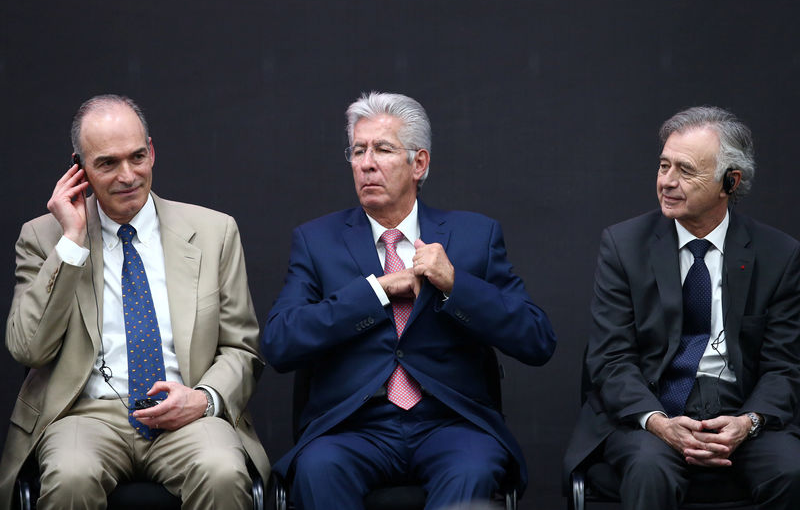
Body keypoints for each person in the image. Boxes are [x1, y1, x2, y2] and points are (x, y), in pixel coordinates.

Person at [262, 92, 556, 509]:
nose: (366, 163)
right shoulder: (316, 241)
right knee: (318, 470)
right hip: (353, 427)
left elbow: (537, 340)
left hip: (450, 423)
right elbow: (279, 343)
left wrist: (454, 283)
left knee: (472, 470)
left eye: (382, 149)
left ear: (419, 164)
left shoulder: (475, 236)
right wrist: (375, 291)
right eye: (358, 151)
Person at [0, 94, 269, 509]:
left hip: (187, 412)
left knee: (222, 471)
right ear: (80, 167)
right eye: (107, 163)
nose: (128, 175)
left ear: (152, 151)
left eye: (137, 157)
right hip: (84, 414)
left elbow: (242, 348)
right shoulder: (43, 238)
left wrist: (203, 398)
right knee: (70, 477)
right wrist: (71, 243)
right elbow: (28, 348)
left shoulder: (215, 231)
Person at [563, 106, 800, 509]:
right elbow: (611, 359)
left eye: (685, 171)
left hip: (739, 413)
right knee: (648, 470)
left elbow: (784, 366)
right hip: (653, 414)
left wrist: (748, 422)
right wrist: (659, 423)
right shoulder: (624, 246)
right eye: (663, 166)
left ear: (730, 181)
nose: (666, 182)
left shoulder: (778, 254)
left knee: (791, 471)